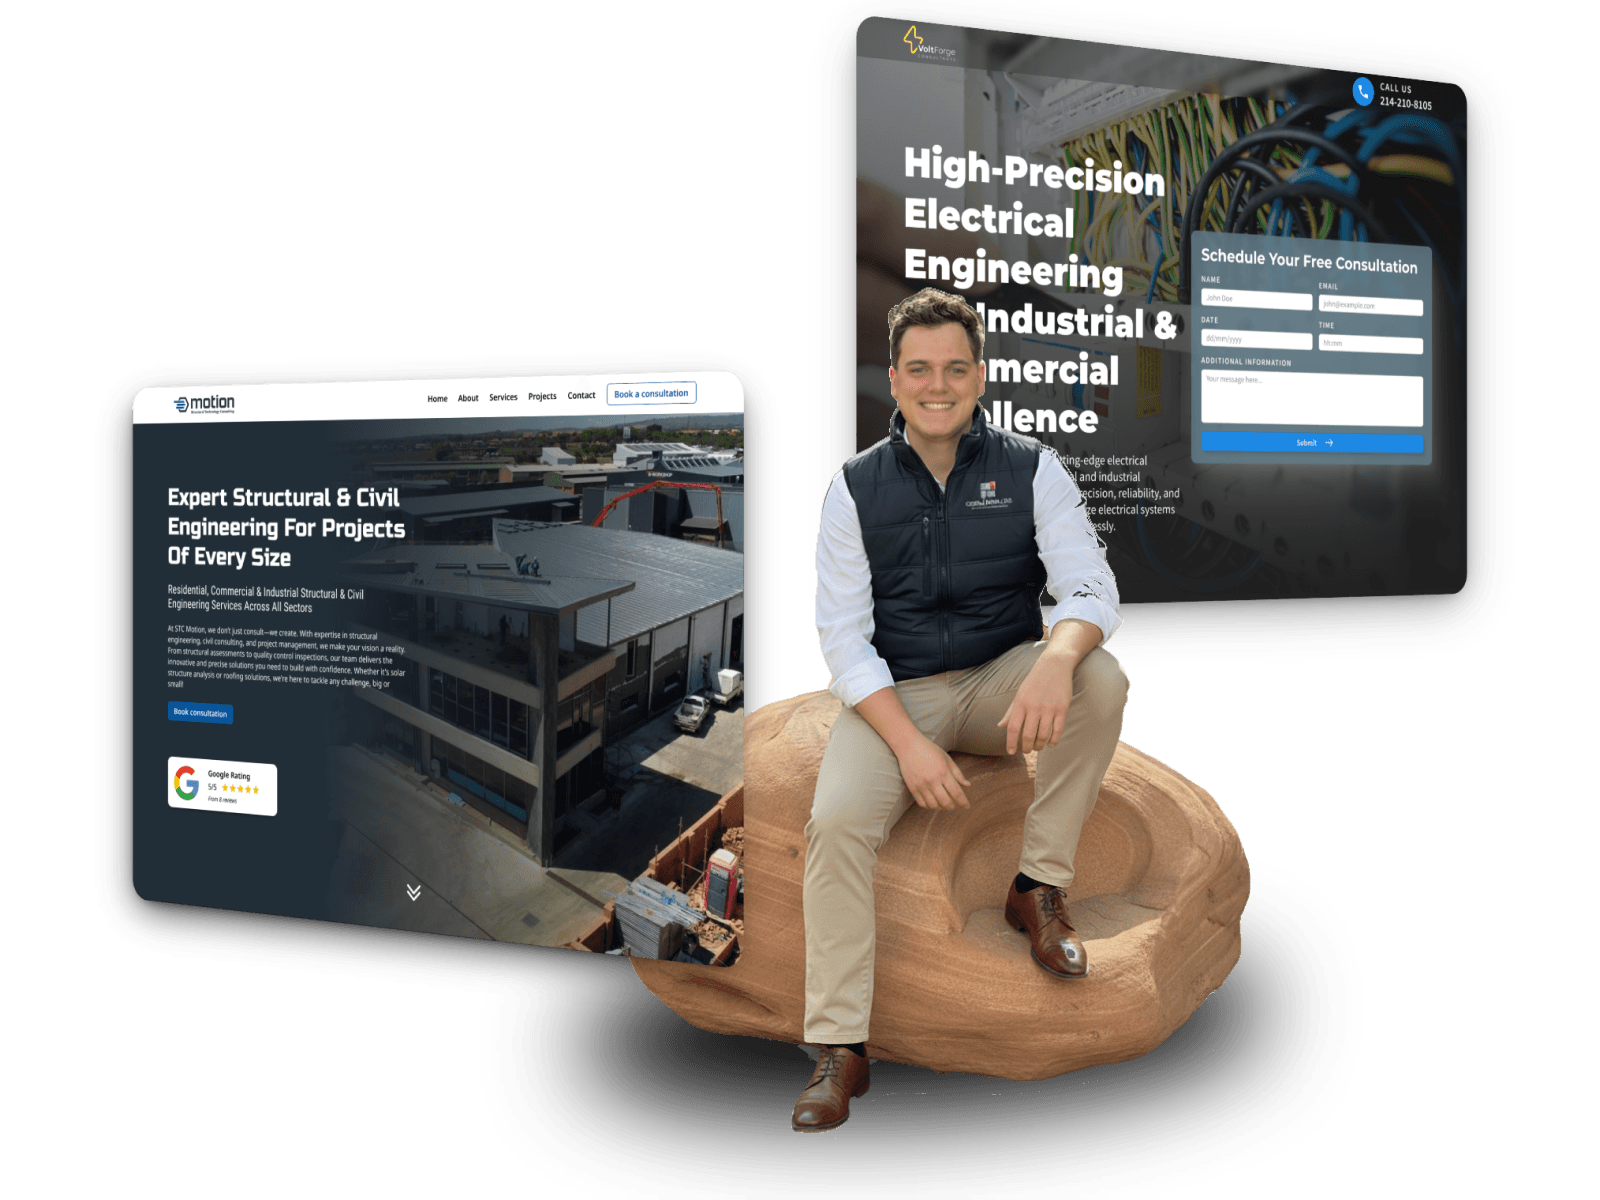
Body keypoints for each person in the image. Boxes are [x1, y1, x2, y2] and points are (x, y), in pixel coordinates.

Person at [794, 287, 1129, 1133]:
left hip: (1000, 678)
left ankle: (1038, 888)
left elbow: (1091, 582)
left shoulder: (1031, 466)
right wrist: (908, 747)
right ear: (895, 381)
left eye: (954, 369)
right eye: (918, 370)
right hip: (894, 695)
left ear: (979, 377)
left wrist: (1057, 657)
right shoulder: (852, 489)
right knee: (834, 824)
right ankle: (841, 1049)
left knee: (1104, 676)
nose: (935, 386)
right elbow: (841, 638)